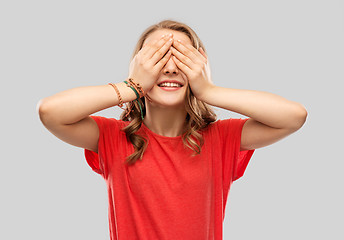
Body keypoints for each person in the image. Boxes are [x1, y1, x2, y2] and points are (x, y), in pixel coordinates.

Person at [37, 19, 307, 240]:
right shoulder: (113, 137)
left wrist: (209, 90)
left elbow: (293, 117)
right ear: (138, 68)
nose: (169, 68)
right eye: (157, 58)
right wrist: (132, 86)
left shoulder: (221, 139)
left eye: (181, 58)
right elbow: (50, 112)